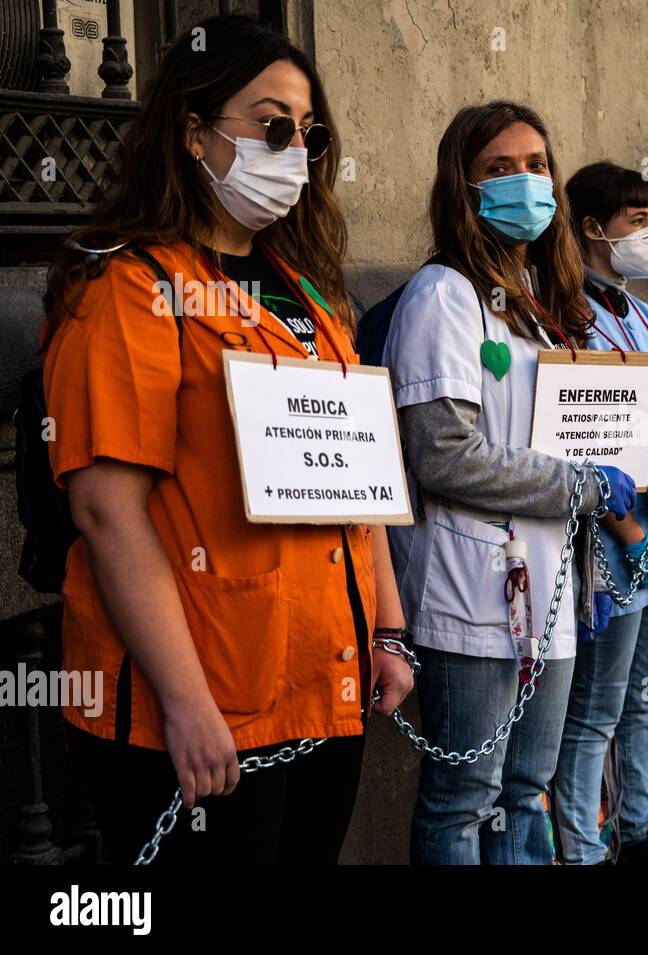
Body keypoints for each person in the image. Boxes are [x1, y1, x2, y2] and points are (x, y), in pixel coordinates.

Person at [40, 15, 413, 865]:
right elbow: (106, 510)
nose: (293, 148)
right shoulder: (128, 288)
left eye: (307, 133)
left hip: (322, 685)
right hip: (204, 703)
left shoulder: (307, 296)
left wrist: (386, 630)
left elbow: (361, 482)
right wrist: (185, 701)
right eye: (270, 123)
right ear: (192, 130)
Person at [382, 101, 637, 865]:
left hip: (546, 587)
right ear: (463, 187)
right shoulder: (443, 295)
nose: (524, 182)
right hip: (470, 590)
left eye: (536, 166)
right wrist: (584, 485)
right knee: (465, 798)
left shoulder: (538, 303)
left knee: (529, 786)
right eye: (499, 169)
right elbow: (444, 453)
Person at [551, 161, 648, 865]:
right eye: (636, 220)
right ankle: (584, 849)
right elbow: (586, 442)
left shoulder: (637, 307)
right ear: (590, 228)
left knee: (642, 699)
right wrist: (632, 536)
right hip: (614, 541)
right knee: (593, 711)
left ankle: (639, 831)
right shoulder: (567, 311)